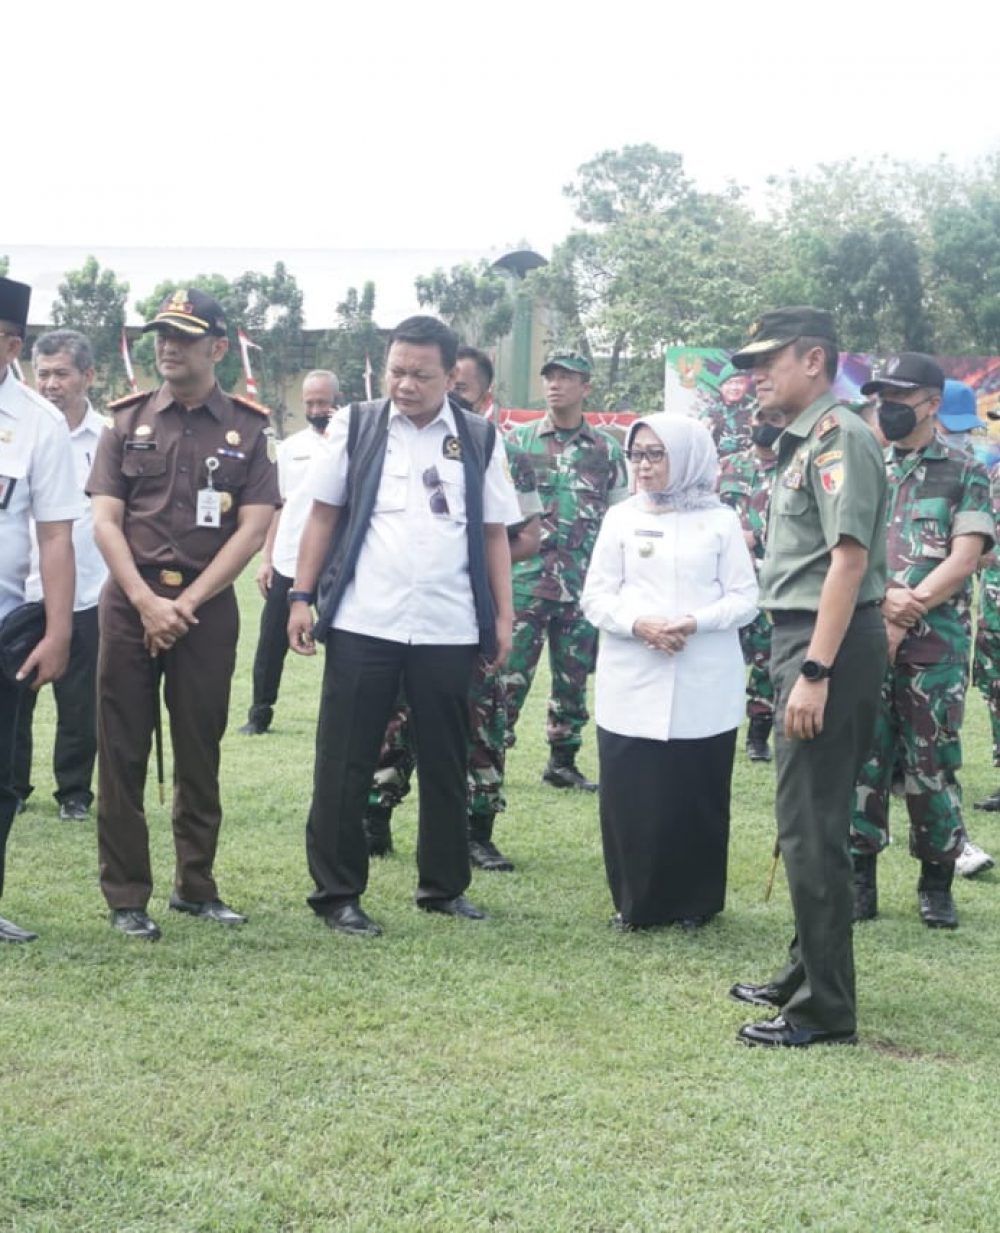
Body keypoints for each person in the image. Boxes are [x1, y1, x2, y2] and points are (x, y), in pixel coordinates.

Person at [288, 316, 520, 937]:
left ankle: (444, 887)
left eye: (421, 374)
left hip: (448, 625)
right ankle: (337, 891)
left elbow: (496, 531)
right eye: (397, 370)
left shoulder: (478, 438)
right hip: (367, 621)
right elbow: (322, 516)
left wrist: (503, 614)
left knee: (448, 758)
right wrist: (302, 595)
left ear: (452, 376)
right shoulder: (358, 425)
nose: (406, 384)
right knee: (344, 759)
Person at [88, 288, 279, 940]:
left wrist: (185, 604)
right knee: (120, 749)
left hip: (205, 606)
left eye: (184, 336)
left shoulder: (250, 429)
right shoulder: (126, 420)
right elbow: (104, 521)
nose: (168, 346)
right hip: (128, 602)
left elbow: (254, 528)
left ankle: (194, 886)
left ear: (217, 347)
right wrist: (145, 601)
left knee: (200, 747)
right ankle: (126, 894)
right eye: (161, 335)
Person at [725, 306, 888, 1049]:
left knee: (810, 825)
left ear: (815, 360)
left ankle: (825, 1009)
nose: (757, 375)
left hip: (827, 641)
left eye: (770, 360)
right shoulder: (807, 441)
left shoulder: (838, 438)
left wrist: (815, 669)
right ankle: (803, 971)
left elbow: (847, 560)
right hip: (805, 635)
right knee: (805, 819)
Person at [362, 346, 541, 872]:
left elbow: (526, 535)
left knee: (480, 718)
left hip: (471, 611)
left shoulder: (492, 448)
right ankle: (375, 818)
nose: (445, 394)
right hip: (402, 611)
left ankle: (476, 831)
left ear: (482, 397)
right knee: (394, 718)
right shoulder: (386, 436)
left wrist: (468, 562)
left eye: (460, 388)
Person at [582, 415, 757, 928]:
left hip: (703, 672)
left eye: (656, 454)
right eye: (637, 454)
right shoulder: (620, 517)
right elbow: (596, 595)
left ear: (686, 458)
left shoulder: (721, 520)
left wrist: (694, 622)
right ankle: (635, 903)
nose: (643, 465)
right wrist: (639, 624)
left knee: (696, 794)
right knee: (631, 796)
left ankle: (695, 903)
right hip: (633, 670)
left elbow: (745, 599)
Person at [850, 357, 994, 928]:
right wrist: (884, 598)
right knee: (865, 758)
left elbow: (965, 558)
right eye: (881, 393)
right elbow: (848, 546)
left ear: (932, 402)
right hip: (865, 634)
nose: (887, 403)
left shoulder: (965, 470)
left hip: (936, 647)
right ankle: (860, 878)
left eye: (900, 393)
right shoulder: (867, 466)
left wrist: (906, 608)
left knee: (932, 762)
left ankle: (937, 882)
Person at [502, 351, 628, 791]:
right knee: (508, 676)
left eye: (566, 378)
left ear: (586, 387)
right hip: (525, 582)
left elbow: (620, 519)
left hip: (582, 584)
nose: (555, 384)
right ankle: (490, 755)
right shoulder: (516, 442)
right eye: (550, 376)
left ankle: (563, 760)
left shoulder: (606, 449)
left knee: (572, 679)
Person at [0, 277, 81, 942]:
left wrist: (58, 630)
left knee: (1, 773)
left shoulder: (37, 423)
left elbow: (55, 535)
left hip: (4, 624)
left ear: (10, 345)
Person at [13, 330, 107, 820]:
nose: (50, 384)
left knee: (80, 705)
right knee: (14, 699)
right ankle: (14, 784)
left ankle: (74, 791)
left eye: (61, 373)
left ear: (87, 377)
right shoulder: (18, 427)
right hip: (22, 590)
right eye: (42, 373)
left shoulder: (109, 439)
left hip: (89, 593)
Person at [238, 370, 338, 735]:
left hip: (334, 563)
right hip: (288, 558)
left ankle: (340, 716)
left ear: (337, 402)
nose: (316, 409)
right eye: (310, 402)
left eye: (323, 402)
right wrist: (266, 558)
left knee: (342, 642)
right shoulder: (289, 449)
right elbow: (277, 506)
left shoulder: (351, 444)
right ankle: (259, 714)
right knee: (270, 641)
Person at [718, 407, 780, 761]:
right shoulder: (728, 467)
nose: (765, 426)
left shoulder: (794, 467)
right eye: (760, 419)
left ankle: (758, 736)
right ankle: (716, 727)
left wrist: (755, 535)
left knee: (766, 661)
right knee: (720, 656)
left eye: (773, 420)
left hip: (770, 582)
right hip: (726, 581)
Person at [697, 362, 757, 459]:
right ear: (721, 387)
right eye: (729, 383)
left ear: (747, 385)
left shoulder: (755, 413)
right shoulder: (710, 414)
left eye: (740, 383)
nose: (734, 388)